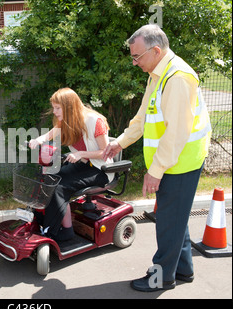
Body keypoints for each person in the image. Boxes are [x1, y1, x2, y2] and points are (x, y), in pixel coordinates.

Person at [103, 24, 211, 292]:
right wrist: (120, 142)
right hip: (174, 162)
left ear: (156, 50)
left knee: (167, 221)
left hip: (180, 163)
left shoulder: (177, 78)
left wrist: (156, 170)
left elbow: (176, 133)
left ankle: (162, 277)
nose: (134, 62)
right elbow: (143, 117)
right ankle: (183, 269)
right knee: (175, 218)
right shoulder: (157, 74)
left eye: (137, 56)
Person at [29, 87, 114, 242]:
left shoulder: (95, 121)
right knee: (49, 179)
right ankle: (44, 224)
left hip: (100, 169)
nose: (54, 112)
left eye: (57, 108)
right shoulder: (68, 120)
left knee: (60, 187)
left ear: (69, 107)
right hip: (84, 165)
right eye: (53, 108)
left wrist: (81, 154)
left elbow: (105, 152)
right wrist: (38, 140)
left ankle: (65, 231)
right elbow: (52, 132)